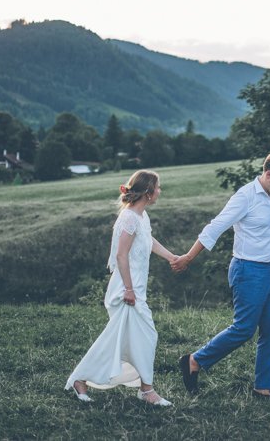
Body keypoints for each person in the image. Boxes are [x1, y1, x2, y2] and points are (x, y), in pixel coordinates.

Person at [171, 151, 270, 400]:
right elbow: (215, 227)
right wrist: (187, 257)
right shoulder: (245, 197)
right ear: (268, 173)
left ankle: (263, 387)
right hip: (248, 270)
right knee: (244, 328)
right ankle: (194, 361)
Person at [65, 170, 176, 406]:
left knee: (124, 339)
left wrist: (171, 257)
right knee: (145, 336)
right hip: (126, 290)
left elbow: (149, 241)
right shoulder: (128, 219)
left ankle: (82, 380)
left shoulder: (141, 217)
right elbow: (121, 255)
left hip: (134, 289)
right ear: (148, 192)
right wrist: (128, 289)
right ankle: (146, 390)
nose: (160, 191)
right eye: (157, 187)